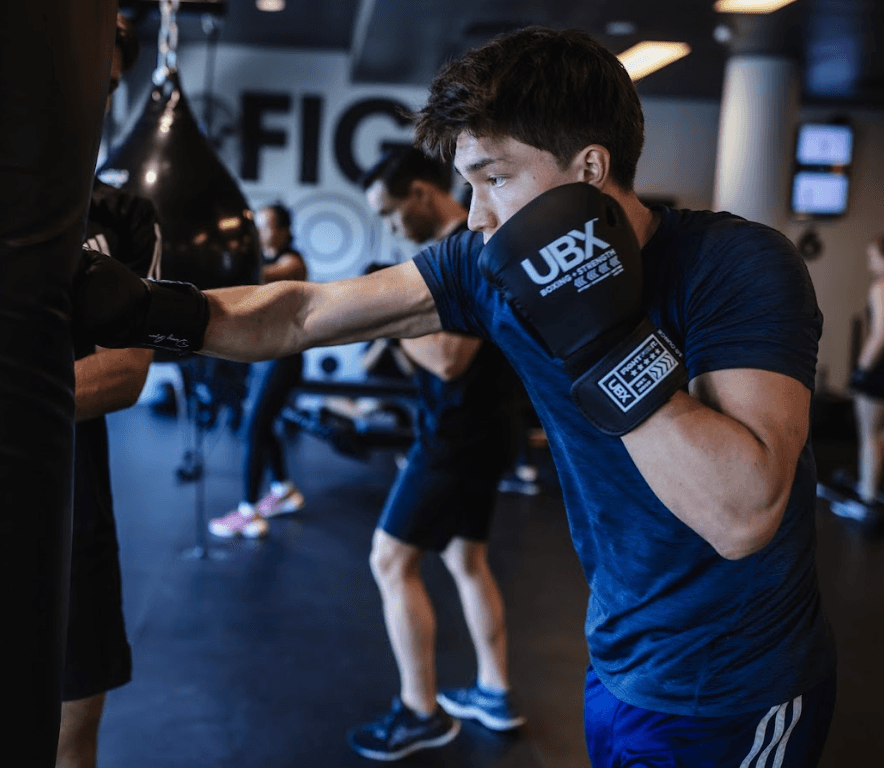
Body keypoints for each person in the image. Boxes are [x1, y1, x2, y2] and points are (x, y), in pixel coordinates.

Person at [77, 26, 837, 766]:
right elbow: (303, 313)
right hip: (618, 657)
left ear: (589, 168)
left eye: (494, 178)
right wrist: (150, 311)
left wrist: (597, 333)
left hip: (738, 687)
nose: (476, 216)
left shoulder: (734, 265)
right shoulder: (483, 264)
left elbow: (741, 517)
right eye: (468, 185)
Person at [339, 147, 526, 761]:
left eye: (392, 212)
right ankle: (494, 692)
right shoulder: (457, 247)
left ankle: (420, 713)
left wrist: (384, 317)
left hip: (458, 435)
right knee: (466, 560)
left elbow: (449, 358)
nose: (392, 226)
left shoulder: (467, 249)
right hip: (476, 430)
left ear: (421, 193)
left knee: (390, 560)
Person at [56, 13, 153, 768]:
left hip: (72, 513)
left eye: (109, 83)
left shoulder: (123, 216)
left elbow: (123, 373)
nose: (96, 97)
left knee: (70, 734)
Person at [208, 203, 308, 538]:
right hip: (265, 356)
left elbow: (265, 274)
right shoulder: (262, 259)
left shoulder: (293, 261)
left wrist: (223, 262)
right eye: (258, 226)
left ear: (284, 231)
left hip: (284, 359)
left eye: (266, 226)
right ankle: (283, 489)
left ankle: (248, 512)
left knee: (253, 429)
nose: (259, 232)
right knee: (262, 426)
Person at [831, 231, 884, 521]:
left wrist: (860, 371)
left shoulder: (883, 287)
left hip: (879, 371)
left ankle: (867, 500)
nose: (870, 263)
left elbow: (881, 335)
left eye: (873, 257)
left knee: (870, 436)